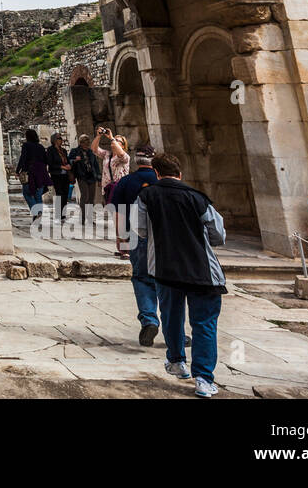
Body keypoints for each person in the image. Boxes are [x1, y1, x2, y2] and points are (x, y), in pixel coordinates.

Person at [134, 152, 227, 398]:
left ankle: (176, 361)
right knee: (204, 323)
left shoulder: (147, 196)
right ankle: (204, 379)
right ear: (180, 173)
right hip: (202, 270)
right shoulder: (198, 198)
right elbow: (218, 233)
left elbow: (141, 229)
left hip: (165, 266)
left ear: (156, 173)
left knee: (171, 315)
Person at [110, 143, 161, 343]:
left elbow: (118, 212)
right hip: (163, 238)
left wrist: (120, 237)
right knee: (167, 281)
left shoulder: (126, 182)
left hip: (135, 237)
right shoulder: (161, 181)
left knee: (141, 278)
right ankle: (176, 331)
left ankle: (149, 320)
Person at [68, 134, 102, 226]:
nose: (86, 144)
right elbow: (69, 161)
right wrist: (75, 160)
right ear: (81, 143)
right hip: (82, 176)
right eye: (84, 142)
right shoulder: (75, 151)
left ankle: (90, 218)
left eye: (87, 142)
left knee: (91, 198)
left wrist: (99, 178)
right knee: (85, 196)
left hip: (92, 176)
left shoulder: (91, 152)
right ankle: (82, 218)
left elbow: (95, 165)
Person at [15, 128, 49, 218]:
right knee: (38, 195)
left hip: (30, 173)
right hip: (41, 173)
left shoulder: (26, 146)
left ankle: (36, 212)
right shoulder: (41, 147)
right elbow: (46, 160)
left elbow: (23, 158)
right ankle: (39, 213)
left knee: (27, 193)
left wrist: (17, 171)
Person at [96, 128, 130, 207]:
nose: (114, 141)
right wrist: (98, 136)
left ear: (123, 145)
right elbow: (94, 149)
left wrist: (111, 138)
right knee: (113, 215)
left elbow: (121, 154)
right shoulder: (107, 154)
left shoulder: (125, 157)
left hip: (120, 189)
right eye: (114, 140)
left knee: (121, 214)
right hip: (107, 189)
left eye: (117, 140)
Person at [45, 133, 72, 217]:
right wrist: (62, 167)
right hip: (56, 174)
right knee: (59, 193)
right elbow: (50, 163)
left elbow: (66, 160)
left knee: (65, 193)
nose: (61, 140)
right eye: (59, 138)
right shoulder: (50, 150)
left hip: (65, 175)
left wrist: (69, 165)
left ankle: (63, 213)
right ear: (54, 140)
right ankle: (58, 213)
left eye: (61, 138)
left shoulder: (63, 150)